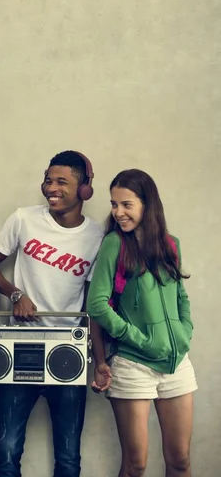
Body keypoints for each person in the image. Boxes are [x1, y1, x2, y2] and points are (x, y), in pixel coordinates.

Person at [0, 150, 104, 477]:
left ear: (84, 189)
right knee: (7, 450)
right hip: (19, 345)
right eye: (48, 180)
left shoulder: (96, 237)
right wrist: (15, 294)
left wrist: (100, 356)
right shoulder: (23, 218)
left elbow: (94, 302)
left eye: (61, 182)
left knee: (68, 455)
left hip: (68, 349)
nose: (51, 187)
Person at [87, 169, 197, 477]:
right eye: (114, 204)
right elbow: (96, 305)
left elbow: (181, 297)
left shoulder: (170, 244)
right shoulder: (114, 244)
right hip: (134, 364)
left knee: (181, 461)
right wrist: (139, 339)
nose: (118, 212)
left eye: (126, 204)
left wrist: (184, 331)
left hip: (176, 363)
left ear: (147, 205)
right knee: (135, 465)